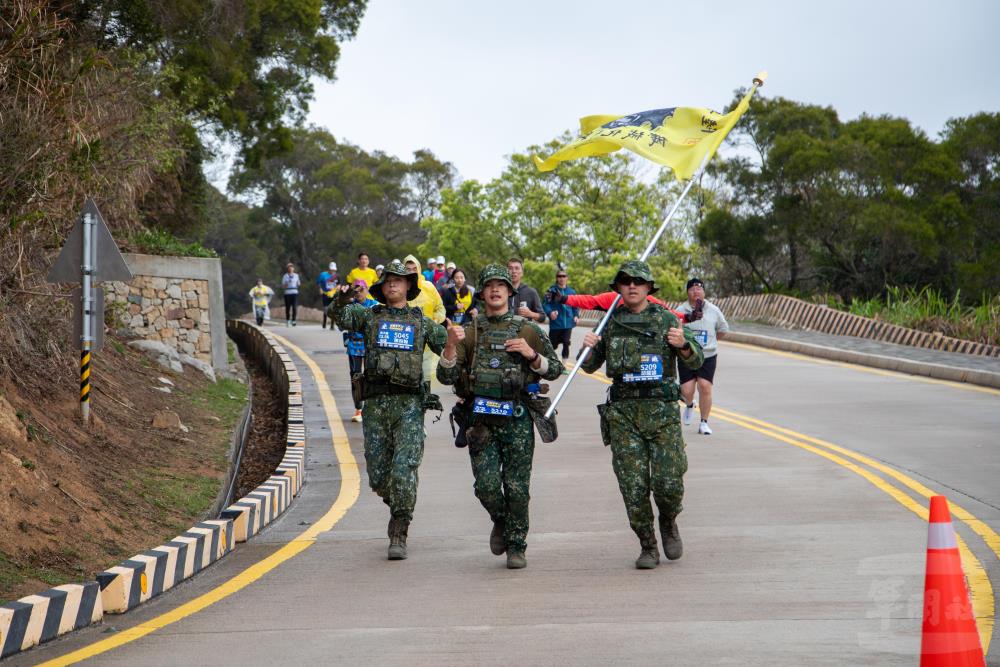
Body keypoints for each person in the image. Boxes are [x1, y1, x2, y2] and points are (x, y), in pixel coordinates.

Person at [437, 264, 564, 569]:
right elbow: (445, 376)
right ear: (481, 293)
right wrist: (451, 346)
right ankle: (501, 520)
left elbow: (556, 369)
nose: (495, 290)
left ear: (510, 291)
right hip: (480, 420)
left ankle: (517, 545)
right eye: (489, 286)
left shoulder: (527, 330)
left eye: (501, 285)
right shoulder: (471, 332)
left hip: (517, 418)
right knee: (486, 486)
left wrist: (531, 355)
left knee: (518, 486)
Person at [580, 260, 703, 570]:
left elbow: (697, 359)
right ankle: (647, 544)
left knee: (668, 483)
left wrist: (684, 345)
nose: (631, 286)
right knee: (633, 487)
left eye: (638, 281)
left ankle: (669, 520)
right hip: (624, 415)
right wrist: (590, 348)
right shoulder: (610, 322)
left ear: (649, 287)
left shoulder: (666, 320)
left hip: (661, 413)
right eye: (625, 281)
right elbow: (589, 366)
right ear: (618, 287)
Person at [331, 260, 448, 560]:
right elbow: (340, 317)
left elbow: (449, 347)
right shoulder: (369, 315)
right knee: (379, 476)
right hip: (375, 406)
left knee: (404, 468)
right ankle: (397, 502)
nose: (393, 284)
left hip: (409, 405)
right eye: (389, 280)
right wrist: (342, 297)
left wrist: (457, 348)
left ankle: (399, 527)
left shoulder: (422, 322)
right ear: (381, 287)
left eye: (400, 280)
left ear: (410, 285)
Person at [676, 278, 730, 435]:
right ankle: (689, 404)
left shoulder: (713, 310)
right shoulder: (681, 309)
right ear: (687, 292)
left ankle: (704, 422)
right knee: (686, 391)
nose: (696, 291)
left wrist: (711, 342)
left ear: (704, 292)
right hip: (687, 354)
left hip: (708, 355)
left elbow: (722, 329)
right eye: (692, 289)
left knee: (705, 387)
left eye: (699, 289)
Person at [402, 254, 447, 393]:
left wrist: (435, 320)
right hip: (405, 345)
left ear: (419, 269)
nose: (411, 272)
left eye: (414, 268)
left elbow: (440, 308)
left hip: (427, 346)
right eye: (408, 269)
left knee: (425, 387)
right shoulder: (400, 288)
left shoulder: (428, 287)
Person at [342, 279, 379, 423]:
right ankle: (358, 408)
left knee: (372, 375)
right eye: (355, 291)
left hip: (370, 345)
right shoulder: (349, 306)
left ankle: (371, 407)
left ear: (366, 289)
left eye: (361, 290)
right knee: (356, 377)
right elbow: (341, 323)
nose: (358, 293)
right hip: (354, 345)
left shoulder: (374, 305)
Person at [542, 269, 579, 361]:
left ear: (567, 278)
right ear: (556, 278)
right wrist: (550, 312)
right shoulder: (551, 291)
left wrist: (576, 316)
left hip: (568, 323)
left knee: (566, 342)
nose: (562, 278)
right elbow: (546, 304)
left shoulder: (572, 292)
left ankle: (564, 364)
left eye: (564, 276)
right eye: (559, 276)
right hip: (556, 323)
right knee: (553, 345)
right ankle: (549, 360)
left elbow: (575, 305)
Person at [506, 258, 546, 325]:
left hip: (523, 332)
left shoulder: (531, 292)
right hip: (503, 332)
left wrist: (530, 314)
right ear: (506, 272)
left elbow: (543, 317)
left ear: (522, 273)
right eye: (510, 268)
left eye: (517, 268)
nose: (513, 271)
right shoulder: (500, 291)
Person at [316, 261, 339, 329]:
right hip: (325, 294)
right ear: (329, 268)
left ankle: (332, 325)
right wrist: (320, 288)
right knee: (326, 309)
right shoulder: (323, 275)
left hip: (334, 294)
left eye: (334, 270)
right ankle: (324, 322)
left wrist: (338, 287)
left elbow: (338, 284)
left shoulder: (336, 276)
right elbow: (318, 282)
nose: (332, 271)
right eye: (331, 269)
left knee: (333, 309)